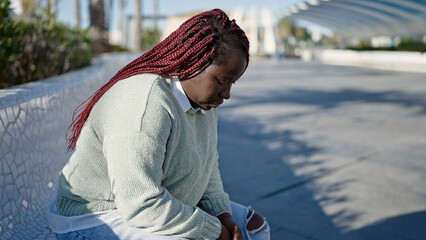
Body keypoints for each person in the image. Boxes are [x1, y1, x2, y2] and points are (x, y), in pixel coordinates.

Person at [48, 9, 270, 240]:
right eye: (223, 81)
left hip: (160, 203)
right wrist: (213, 231)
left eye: (232, 82)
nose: (227, 94)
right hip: (98, 215)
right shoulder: (144, 103)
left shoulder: (205, 101)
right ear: (194, 62)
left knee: (253, 227)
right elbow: (139, 203)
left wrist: (223, 214)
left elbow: (208, 166)